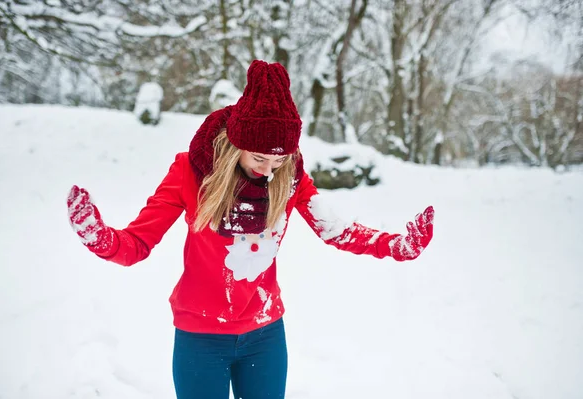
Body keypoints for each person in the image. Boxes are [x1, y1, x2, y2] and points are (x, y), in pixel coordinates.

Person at [66, 59, 435, 399]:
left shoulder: (289, 178)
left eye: (279, 159)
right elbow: (136, 243)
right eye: (260, 158)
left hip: (265, 334)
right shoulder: (190, 173)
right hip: (200, 337)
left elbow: (335, 229)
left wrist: (395, 245)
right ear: (237, 143)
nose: (269, 170)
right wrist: (101, 239)